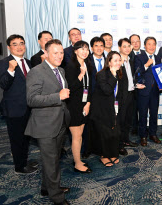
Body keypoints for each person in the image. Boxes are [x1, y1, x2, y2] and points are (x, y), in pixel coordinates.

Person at [25, 39, 71, 205]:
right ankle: (57, 197)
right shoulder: (36, 72)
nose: (59, 56)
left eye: (61, 53)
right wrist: (57, 96)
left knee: (53, 159)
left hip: (60, 122)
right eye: (55, 53)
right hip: (45, 125)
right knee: (51, 162)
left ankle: (47, 187)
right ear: (46, 53)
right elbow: (31, 99)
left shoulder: (61, 71)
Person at [0, 34, 38, 174]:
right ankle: (19, 166)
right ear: (9, 47)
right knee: (17, 138)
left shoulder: (28, 62)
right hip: (15, 108)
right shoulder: (4, 63)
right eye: (15, 44)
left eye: (21, 43)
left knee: (26, 137)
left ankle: (24, 160)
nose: (19, 47)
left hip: (29, 107)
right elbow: (4, 85)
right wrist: (11, 70)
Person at [89, 51, 124, 166]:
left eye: (119, 60)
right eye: (115, 60)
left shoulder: (119, 73)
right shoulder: (102, 74)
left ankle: (113, 153)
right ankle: (104, 155)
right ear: (109, 62)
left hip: (114, 106)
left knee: (114, 131)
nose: (118, 63)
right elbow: (107, 90)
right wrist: (113, 76)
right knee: (105, 132)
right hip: (102, 108)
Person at [64, 40, 92, 173]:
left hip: (84, 104)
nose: (85, 51)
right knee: (76, 135)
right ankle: (77, 163)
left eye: (87, 49)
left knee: (80, 134)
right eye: (82, 49)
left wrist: (88, 103)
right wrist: (81, 75)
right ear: (75, 51)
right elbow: (71, 88)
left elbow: (90, 87)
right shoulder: (70, 66)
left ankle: (78, 159)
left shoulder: (88, 64)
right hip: (73, 105)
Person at [134, 37, 161, 146]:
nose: (151, 46)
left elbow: (161, 74)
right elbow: (136, 73)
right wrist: (146, 65)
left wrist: (161, 84)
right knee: (143, 114)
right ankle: (143, 136)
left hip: (155, 91)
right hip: (143, 91)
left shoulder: (158, 58)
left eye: (153, 44)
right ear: (144, 46)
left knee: (154, 113)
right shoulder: (139, 57)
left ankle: (153, 134)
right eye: (149, 44)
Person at [118, 38, 139, 156]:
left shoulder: (131, 60)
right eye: (124, 46)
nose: (127, 48)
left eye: (128, 46)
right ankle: (119, 145)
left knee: (128, 121)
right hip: (121, 96)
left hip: (131, 94)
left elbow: (131, 78)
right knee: (120, 121)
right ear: (120, 48)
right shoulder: (117, 61)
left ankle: (126, 140)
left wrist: (136, 85)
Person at [129, 34, 145, 136]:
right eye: (133, 42)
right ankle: (134, 127)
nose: (135, 43)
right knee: (134, 108)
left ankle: (143, 126)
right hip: (132, 86)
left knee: (143, 108)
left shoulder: (145, 53)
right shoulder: (127, 54)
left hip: (144, 86)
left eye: (137, 41)